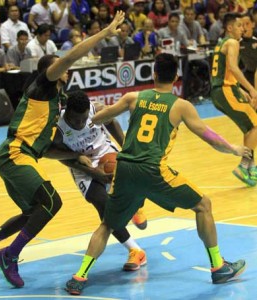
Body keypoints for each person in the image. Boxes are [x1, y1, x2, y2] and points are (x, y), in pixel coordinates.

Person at [0, 11, 125, 289]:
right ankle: (9, 254)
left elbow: (49, 151)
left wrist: (76, 157)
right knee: (52, 202)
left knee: (33, 212)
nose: (65, 69)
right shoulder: (43, 87)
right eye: (60, 67)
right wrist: (104, 34)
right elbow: (71, 55)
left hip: (17, 156)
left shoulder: (54, 104)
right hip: (15, 153)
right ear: (52, 71)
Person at [65, 53, 249, 295]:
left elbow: (98, 118)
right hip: (153, 170)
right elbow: (208, 136)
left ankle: (79, 277)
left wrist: (96, 111)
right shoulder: (181, 106)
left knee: (107, 225)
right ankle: (218, 266)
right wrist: (234, 148)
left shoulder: (133, 98)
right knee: (203, 205)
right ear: (175, 78)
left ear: (153, 75)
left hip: (125, 169)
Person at [54, 90, 147, 270]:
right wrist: (90, 171)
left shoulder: (97, 109)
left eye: (84, 119)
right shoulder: (58, 127)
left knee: (132, 180)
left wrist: (127, 149)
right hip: (80, 163)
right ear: (67, 113)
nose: (81, 123)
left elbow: (111, 121)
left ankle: (135, 206)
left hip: (105, 152)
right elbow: (58, 156)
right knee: (102, 205)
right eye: (76, 120)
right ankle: (136, 250)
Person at [211, 12, 257, 186]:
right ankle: (244, 165)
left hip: (222, 90)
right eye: (239, 26)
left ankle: (250, 167)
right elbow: (233, 67)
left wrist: (238, 88)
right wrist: (251, 89)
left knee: (249, 127)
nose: (242, 29)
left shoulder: (221, 43)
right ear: (230, 28)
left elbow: (224, 70)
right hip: (225, 90)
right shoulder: (232, 42)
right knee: (255, 125)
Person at [239, 13, 257, 89]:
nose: (245, 27)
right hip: (244, 79)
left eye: (247, 24)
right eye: (242, 25)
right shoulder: (237, 43)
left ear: (253, 24)